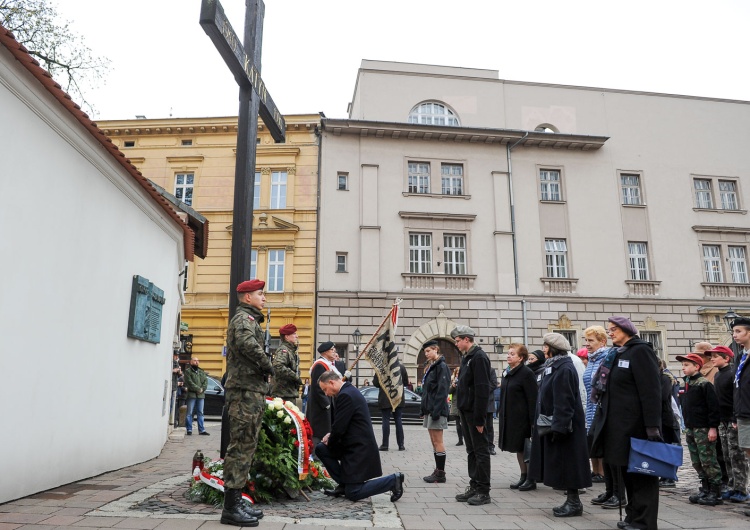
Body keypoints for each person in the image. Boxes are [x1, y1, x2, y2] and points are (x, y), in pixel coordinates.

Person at [590, 316, 662, 530]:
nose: (610, 333)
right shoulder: (616, 353)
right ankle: (632, 516)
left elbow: (651, 391)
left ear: (626, 330)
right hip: (618, 426)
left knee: (643, 475)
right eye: (609, 329)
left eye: (614, 329)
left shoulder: (641, 351)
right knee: (627, 474)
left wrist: (652, 426)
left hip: (638, 426)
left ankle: (645, 521)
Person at [221, 279, 272, 526]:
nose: (264, 298)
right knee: (240, 447)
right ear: (247, 297)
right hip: (243, 392)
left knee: (246, 446)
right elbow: (246, 344)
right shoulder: (243, 319)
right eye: (260, 294)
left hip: (250, 391)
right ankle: (230, 507)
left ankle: (237, 500)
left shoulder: (250, 320)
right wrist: (267, 363)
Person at [315, 371, 405, 502]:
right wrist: (330, 436)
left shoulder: (345, 395)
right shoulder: (347, 391)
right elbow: (341, 424)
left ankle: (392, 481)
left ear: (331, 382)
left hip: (359, 450)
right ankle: (344, 485)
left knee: (354, 493)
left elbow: (340, 429)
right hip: (352, 446)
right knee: (321, 448)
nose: (325, 394)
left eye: (325, 389)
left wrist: (331, 444)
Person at [529, 333, 592, 517]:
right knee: (565, 464)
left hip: (567, 426)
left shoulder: (564, 368)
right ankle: (571, 501)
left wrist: (560, 426)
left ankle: (574, 503)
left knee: (570, 464)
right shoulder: (555, 366)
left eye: (545, 346)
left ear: (552, 348)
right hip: (560, 423)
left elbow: (564, 400)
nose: (543, 349)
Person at [452, 325, 492, 506]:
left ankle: (484, 491)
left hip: (474, 413)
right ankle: (474, 485)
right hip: (466, 411)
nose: (456, 343)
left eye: (458, 340)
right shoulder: (467, 357)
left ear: (467, 339)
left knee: (481, 451)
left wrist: (480, 418)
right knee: (471, 451)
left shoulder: (479, 357)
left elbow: (482, 389)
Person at [677, 352, 722, 506]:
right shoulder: (685, 384)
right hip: (691, 427)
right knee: (696, 461)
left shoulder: (704, 384)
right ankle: (705, 488)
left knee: (708, 459)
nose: (683, 368)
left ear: (696, 366)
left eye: (686, 365)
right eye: (682, 365)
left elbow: (713, 407)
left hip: (703, 427)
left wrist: (712, 427)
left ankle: (716, 491)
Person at [711, 345, 750, 502]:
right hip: (722, 420)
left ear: (726, 358)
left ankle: (742, 488)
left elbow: (736, 396)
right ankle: (732, 485)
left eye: (715, 356)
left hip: (732, 418)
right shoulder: (717, 375)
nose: (712, 359)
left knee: (737, 455)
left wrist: (734, 417)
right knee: (727, 455)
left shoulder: (732, 373)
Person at [497, 344, 538, 491]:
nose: (508, 356)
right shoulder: (507, 372)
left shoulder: (526, 373)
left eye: (512, 354)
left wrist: (533, 421)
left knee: (526, 448)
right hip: (510, 417)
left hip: (523, 419)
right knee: (518, 448)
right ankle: (523, 475)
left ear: (521, 358)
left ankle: (531, 479)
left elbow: (533, 398)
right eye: (508, 353)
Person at [581, 326, 610, 492]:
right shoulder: (591, 359)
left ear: (602, 342)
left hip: (601, 407)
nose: (587, 344)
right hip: (591, 407)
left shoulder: (606, 358)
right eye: (586, 340)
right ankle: (597, 471)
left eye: (591, 340)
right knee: (591, 440)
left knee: (603, 441)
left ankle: (606, 477)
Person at [420, 340, 451, 483]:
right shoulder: (431, 366)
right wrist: (424, 409)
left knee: (438, 441)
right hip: (430, 409)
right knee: (433, 441)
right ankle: (438, 470)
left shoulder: (441, 366)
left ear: (435, 350)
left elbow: (442, 390)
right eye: (425, 352)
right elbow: (427, 391)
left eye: (428, 351)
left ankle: (441, 473)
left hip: (437, 409)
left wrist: (436, 411)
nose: (426, 354)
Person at [732, 316, 750, 519]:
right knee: (747, 452)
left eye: (739, 332)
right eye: (734, 332)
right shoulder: (742, 357)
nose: (735, 335)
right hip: (743, 412)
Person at [308, 341, 339, 448]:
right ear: (325, 352)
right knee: (320, 430)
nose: (334, 351)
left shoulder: (329, 364)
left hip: (327, 402)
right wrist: (326, 404)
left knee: (327, 429)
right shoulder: (320, 365)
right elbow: (318, 387)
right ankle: (317, 455)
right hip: (320, 405)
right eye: (332, 350)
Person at [374, 359, 409, 451]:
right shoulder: (401, 367)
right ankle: (401, 445)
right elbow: (405, 382)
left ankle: (385, 445)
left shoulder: (380, 367)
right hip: (398, 396)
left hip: (385, 397)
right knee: (398, 420)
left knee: (385, 420)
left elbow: (376, 383)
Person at [270, 324, 302, 403]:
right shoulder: (283, 351)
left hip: (288, 393)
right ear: (287, 336)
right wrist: (295, 377)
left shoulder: (291, 351)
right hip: (283, 395)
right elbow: (278, 366)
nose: (296, 336)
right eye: (294, 334)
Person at [184, 356, 209, 436]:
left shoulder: (201, 372)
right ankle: (189, 429)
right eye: (195, 360)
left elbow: (205, 381)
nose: (196, 362)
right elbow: (189, 382)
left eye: (198, 361)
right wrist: (198, 389)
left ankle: (202, 430)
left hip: (201, 396)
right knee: (189, 413)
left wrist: (202, 389)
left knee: (200, 413)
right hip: (192, 395)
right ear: (191, 362)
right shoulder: (188, 372)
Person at [485, 368, 498, 455]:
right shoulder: (475, 369)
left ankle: (490, 446)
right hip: (476, 403)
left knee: (489, 426)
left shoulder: (491, 370)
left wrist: (481, 391)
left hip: (488, 402)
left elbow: (493, 384)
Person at [449, 366, 463, 446]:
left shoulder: (464, 380)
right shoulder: (453, 381)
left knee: (464, 424)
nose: (458, 374)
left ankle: (466, 437)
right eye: (457, 373)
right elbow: (449, 392)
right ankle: (460, 440)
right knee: (458, 423)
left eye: (459, 373)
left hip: (463, 404)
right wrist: (453, 387)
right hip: (456, 404)